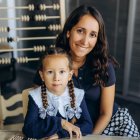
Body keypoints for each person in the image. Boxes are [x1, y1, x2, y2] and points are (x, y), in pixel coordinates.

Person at [34, 5, 139, 137]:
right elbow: (39, 108)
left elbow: (106, 113)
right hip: (73, 130)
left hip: (113, 122)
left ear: (97, 39)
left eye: (92, 35)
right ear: (68, 32)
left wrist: (90, 138)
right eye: (80, 31)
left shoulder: (105, 66)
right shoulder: (51, 63)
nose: (85, 41)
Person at [22, 47, 93, 139]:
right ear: (42, 75)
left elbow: (88, 126)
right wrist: (60, 123)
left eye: (62, 72)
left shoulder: (77, 95)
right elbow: (28, 129)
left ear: (69, 75)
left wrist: (61, 134)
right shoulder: (36, 97)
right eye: (50, 72)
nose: (56, 78)